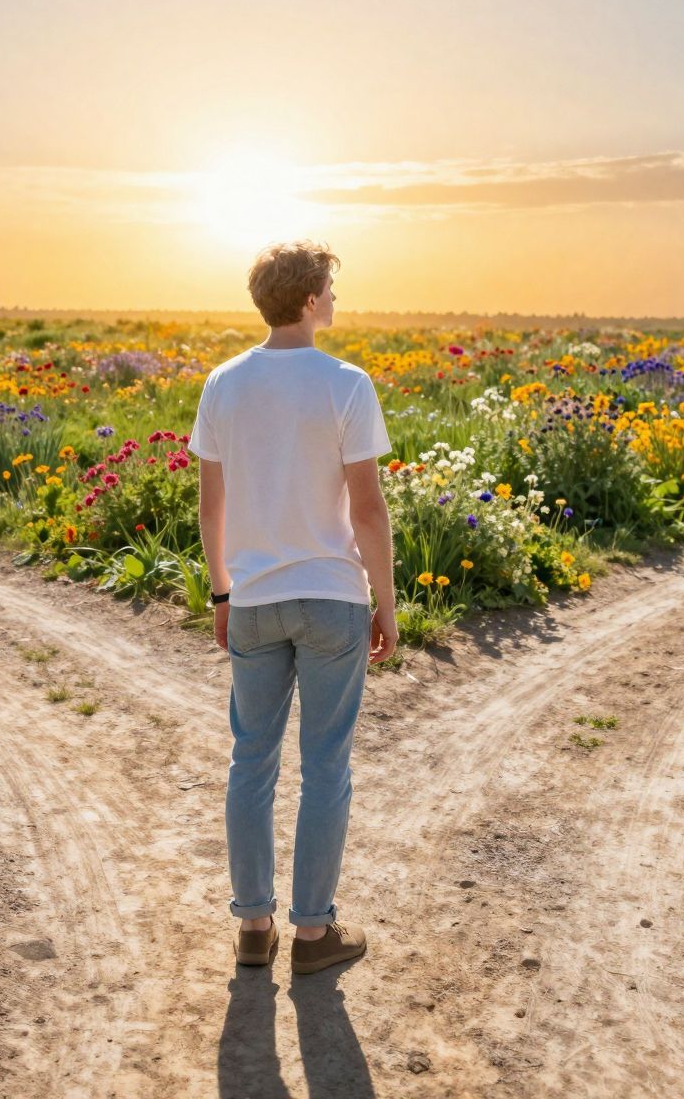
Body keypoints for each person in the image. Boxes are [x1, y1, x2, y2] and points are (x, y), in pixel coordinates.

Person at [188, 240, 397, 976]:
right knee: (326, 767)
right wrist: (387, 603)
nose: (336, 300)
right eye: (331, 290)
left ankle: (253, 928)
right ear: (309, 301)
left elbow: (211, 507)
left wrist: (221, 591)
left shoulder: (223, 384)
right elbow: (368, 511)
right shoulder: (346, 384)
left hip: (252, 599)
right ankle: (313, 937)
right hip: (332, 601)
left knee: (252, 762)